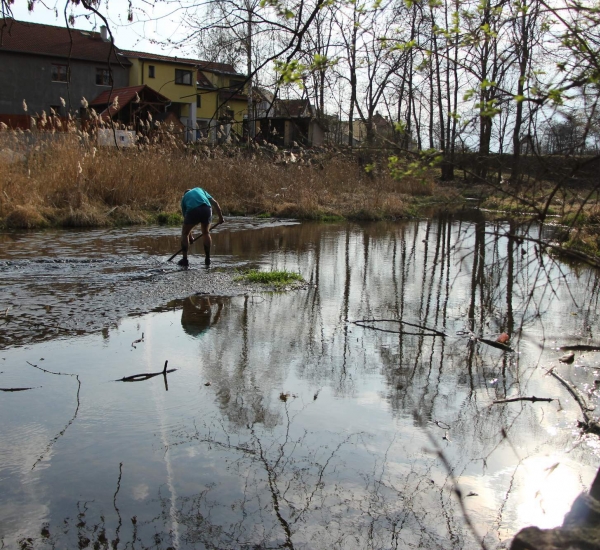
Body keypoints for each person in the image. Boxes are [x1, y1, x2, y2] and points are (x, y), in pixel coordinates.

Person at [179, 187, 224, 267]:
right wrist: (220, 218)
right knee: (206, 232)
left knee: (184, 233)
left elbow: (186, 220)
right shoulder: (200, 190)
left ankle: (185, 260)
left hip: (193, 211)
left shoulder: (184, 199)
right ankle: (207, 259)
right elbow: (215, 203)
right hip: (206, 208)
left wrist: (190, 237)